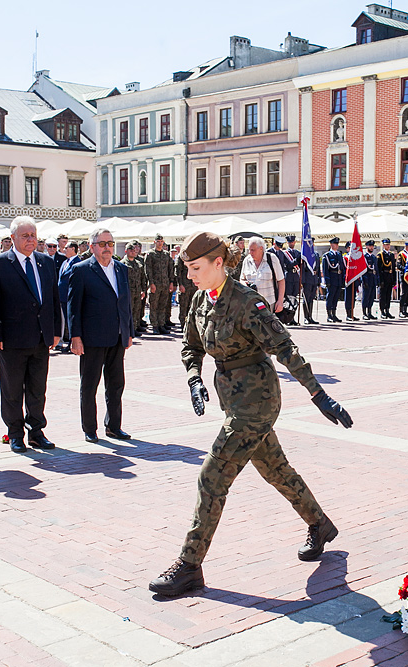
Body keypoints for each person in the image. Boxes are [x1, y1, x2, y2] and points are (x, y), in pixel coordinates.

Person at [149, 231, 353, 597]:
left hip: (257, 398)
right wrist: (195, 379)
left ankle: (190, 565)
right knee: (275, 469)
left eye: (195, 268)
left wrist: (319, 395)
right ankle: (319, 524)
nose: (189, 275)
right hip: (232, 397)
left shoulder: (247, 302)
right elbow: (191, 345)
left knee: (212, 476)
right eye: (187, 268)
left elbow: (285, 349)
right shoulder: (199, 300)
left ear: (218, 263)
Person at [0, 216, 61, 453]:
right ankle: (15, 433)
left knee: (37, 389)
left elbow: (53, 300)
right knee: (12, 390)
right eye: (25, 236)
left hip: (40, 338)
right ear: (12, 238)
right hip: (11, 340)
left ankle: (36, 431)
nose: (30, 240)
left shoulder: (46, 262)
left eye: (33, 235)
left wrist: (56, 331)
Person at [67, 229, 135, 443]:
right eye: (102, 243)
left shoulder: (122, 269)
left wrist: (129, 331)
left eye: (110, 243)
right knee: (89, 385)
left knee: (116, 384)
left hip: (117, 336)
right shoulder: (81, 270)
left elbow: (126, 303)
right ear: (92, 245)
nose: (107, 247)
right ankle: (89, 428)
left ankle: (114, 426)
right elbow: (73, 306)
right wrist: (75, 336)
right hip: (92, 338)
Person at [240, 238, 285, 313]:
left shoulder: (272, 258)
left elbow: (281, 280)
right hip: (250, 304)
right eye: (249, 250)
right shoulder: (247, 260)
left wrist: (280, 301)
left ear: (261, 249)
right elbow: (242, 279)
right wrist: (245, 284)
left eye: (253, 250)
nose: (250, 253)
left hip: (268, 303)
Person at [145, 234, 174, 335]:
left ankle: (161, 324)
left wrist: (171, 282)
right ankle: (155, 326)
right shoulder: (150, 254)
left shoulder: (166, 254)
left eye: (161, 241)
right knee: (154, 305)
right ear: (154, 242)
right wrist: (151, 283)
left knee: (163, 305)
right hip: (155, 284)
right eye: (158, 241)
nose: (160, 243)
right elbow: (148, 270)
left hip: (165, 284)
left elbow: (170, 269)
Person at [122, 242, 148, 336]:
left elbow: (142, 278)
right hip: (128, 292)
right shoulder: (123, 264)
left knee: (136, 311)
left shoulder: (138, 264)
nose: (133, 252)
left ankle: (134, 328)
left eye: (134, 250)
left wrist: (143, 290)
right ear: (126, 251)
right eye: (131, 250)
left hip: (137, 291)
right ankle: (127, 330)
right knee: (128, 311)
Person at [321, 237, 344, 322]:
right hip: (331, 279)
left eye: (337, 244)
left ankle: (334, 314)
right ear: (331, 244)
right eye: (335, 244)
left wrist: (342, 280)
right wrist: (327, 281)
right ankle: (329, 315)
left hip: (337, 279)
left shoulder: (339, 255)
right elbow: (325, 269)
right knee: (330, 297)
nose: (337, 245)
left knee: (336, 297)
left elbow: (341, 268)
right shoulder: (327, 256)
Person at [375, 239, 396, 319]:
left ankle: (387, 310)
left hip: (389, 277)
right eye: (386, 244)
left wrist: (393, 279)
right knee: (383, 295)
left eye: (388, 244)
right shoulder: (380, 255)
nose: (388, 246)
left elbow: (393, 268)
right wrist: (380, 280)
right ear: (383, 245)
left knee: (388, 295)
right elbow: (378, 269)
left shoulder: (391, 255)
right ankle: (382, 311)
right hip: (383, 276)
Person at [301, 245, 321, 325]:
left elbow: (318, 268)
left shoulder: (316, 254)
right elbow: (302, 268)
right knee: (306, 298)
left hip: (314, 279)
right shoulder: (304, 255)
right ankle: (306, 317)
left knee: (311, 298)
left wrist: (318, 279)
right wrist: (302, 280)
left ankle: (310, 317)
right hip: (307, 279)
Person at [361, 240, 379, 320]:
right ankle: (364, 313)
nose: (372, 247)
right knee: (366, 296)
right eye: (370, 246)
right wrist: (364, 280)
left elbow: (376, 270)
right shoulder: (364, 257)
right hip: (367, 278)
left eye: (372, 246)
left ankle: (369, 312)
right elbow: (363, 270)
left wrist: (377, 280)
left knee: (371, 297)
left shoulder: (374, 257)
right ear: (367, 246)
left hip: (372, 278)